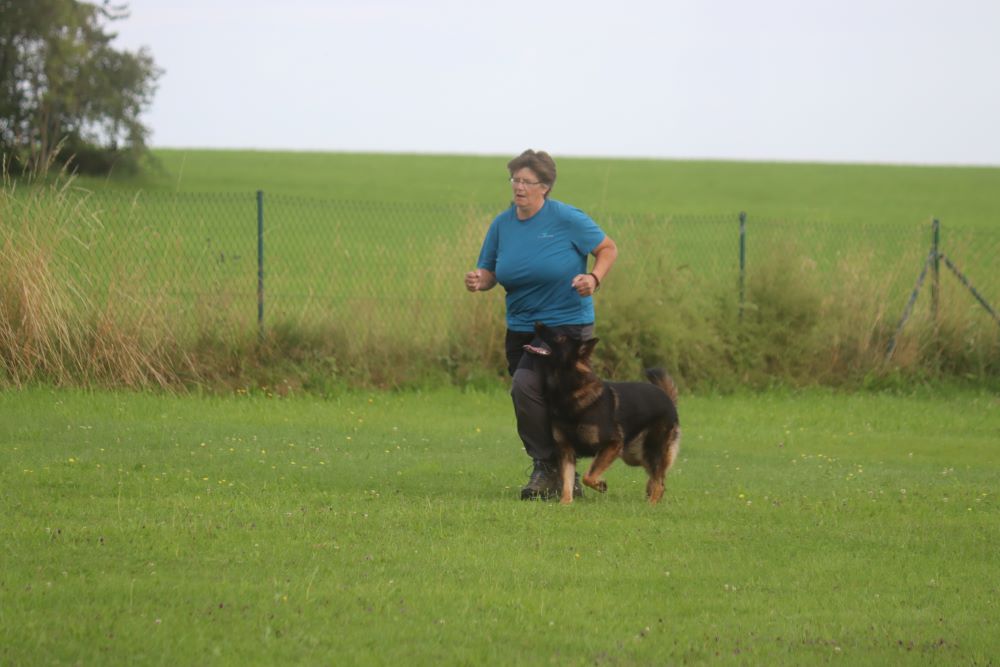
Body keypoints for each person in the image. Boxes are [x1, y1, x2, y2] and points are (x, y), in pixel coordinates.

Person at [464, 149, 619, 500]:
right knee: (539, 402)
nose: (519, 187)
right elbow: (491, 272)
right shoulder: (502, 225)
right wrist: (479, 279)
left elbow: (608, 248)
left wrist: (594, 278)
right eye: (515, 180)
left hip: (565, 327)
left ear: (545, 187)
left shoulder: (567, 219)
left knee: (525, 387)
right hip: (521, 328)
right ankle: (564, 478)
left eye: (527, 182)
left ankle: (546, 467)